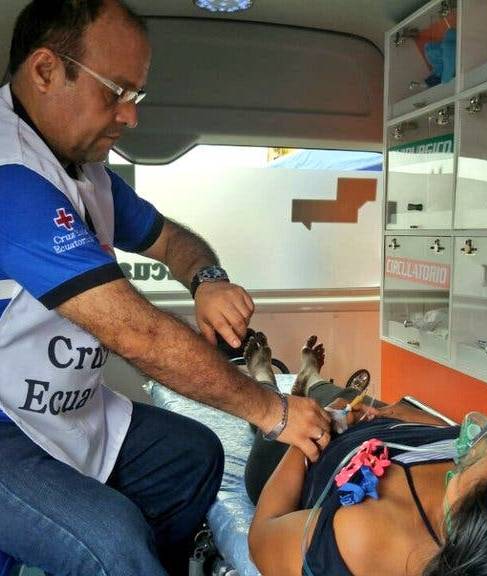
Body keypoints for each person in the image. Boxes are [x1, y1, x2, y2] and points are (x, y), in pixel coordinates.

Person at [0, 1, 330, 574]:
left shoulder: (86, 173)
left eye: (137, 95)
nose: (130, 116)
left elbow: (172, 240)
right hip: (7, 425)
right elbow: (137, 334)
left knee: (193, 455)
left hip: (68, 411)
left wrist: (207, 280)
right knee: (112, 542)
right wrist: (271, 411)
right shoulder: (10, 177)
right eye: (116, 91)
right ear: (46, 71)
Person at [243, 333, 487, 576]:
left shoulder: (367, 539)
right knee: (335, 394)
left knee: (273, 414)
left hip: (306, 453)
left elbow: (262, 539)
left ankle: (263, 375)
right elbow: (457, 434)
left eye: (471, 461)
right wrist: (404, 415)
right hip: (372, 420)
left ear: (460, 526)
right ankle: (311, 377)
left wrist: (305, 435)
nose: (477, 440)